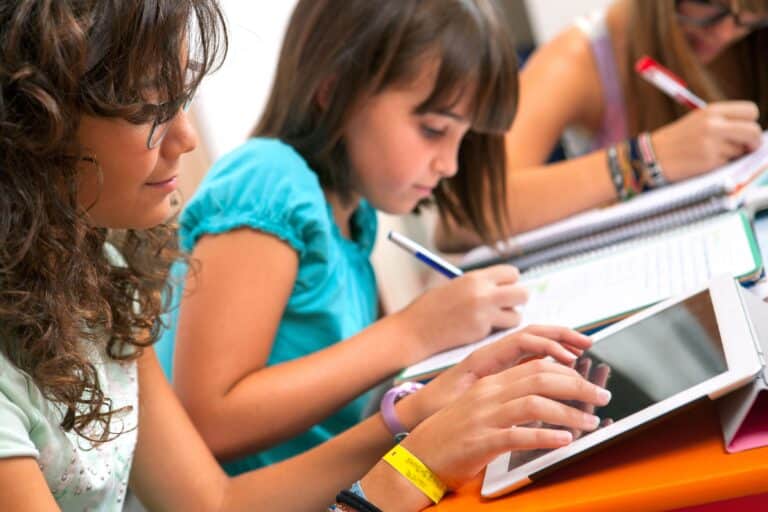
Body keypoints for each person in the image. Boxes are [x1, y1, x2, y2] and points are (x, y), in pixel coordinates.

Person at [0, 1, 612, 510]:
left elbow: (214, 503)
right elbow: (215, 423)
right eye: (150, 108)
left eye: (183, 101)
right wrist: (412, 420)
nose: (187, 139)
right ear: (34, 122)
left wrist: (416, 414)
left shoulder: (105, 273)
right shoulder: (272, 181)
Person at [157, 0, 542, 474]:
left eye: (461, 138)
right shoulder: (266, 184)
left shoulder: (354, 214)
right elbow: (210, 420)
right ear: (333, 89)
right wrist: (414, 331)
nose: (450, 164)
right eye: (433, 130)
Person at [436, 0, 767, 251]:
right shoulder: (580, 60)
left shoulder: (751, 41)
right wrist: (645, 159)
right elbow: (459, 219)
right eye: (707, 1)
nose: (725, 32)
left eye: (752, 11)